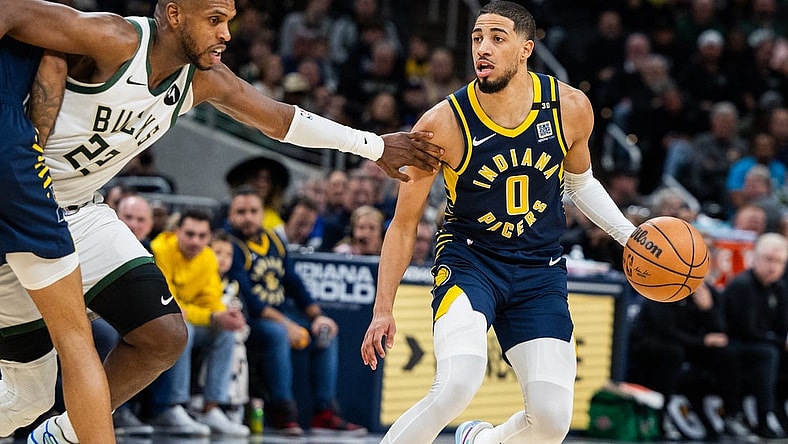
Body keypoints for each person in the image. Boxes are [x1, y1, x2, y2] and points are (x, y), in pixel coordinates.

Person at [0, 0, 441, 442]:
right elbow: (13, 13)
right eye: (214, 20)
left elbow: (281, 120)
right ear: (174, 16)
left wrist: (375, 147)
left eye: (228, 21)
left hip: (81, 212)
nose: (226, 33)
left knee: (165, 336)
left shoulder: (203, 80)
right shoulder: (115, 40)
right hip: (19, 213)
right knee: (27, 398)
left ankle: (63, 434)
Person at [359, 3, 638, 443]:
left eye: (497, 38)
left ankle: (481, 441)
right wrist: (382, 309)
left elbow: (580, 184)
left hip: (540, 271)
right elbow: (403, 223)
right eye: (476, 37)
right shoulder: (442, 123)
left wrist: (631, 236)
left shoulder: (570, 107)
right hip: (471, 262)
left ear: (526, 49)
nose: (482, 48)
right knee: (455, 385)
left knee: (551, 422)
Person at [0, 37, 114, 443]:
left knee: (29, 397)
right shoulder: (34, 16)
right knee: (75, 338)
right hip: (11, 153)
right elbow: (55, 64)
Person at [225, 187, 367, 437]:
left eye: (253, 211)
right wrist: (289, 326)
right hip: (246, 320)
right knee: (278, 333)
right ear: (231, 215)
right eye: (241, 212)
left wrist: (317, 315)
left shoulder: (274, 241)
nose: (248, 217)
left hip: (278, 316)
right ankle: (283, 410)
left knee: (325, 331)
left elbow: (294, 283)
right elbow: (251, 301)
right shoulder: (230, 245)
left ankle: (324, 411)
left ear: (263, 213)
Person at [147, 209, 249, 436]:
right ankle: (173, 406)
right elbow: (169, 303)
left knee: (227, 332)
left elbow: (211, 300)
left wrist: (224, 315)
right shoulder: (160, 250)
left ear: (210, 237)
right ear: (177, 232)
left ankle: (211, 408)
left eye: (202, 236)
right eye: (190, 234)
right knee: (185, 329)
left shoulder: (208, 257)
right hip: (158, 320)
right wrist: (212, 316)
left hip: (187, 319)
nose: (196, 241)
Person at [627, 281, 756, 441]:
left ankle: (732, 415)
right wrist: (702, 341)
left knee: (726, 353)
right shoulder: (662, 287)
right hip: (654, 345)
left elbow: (721, 332)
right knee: (674, 352)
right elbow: (666, 332)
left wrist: (708, 309)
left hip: (689, 344)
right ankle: (662, 415)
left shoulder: (706, 291)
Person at [722, 232, 788, 439]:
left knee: (771, 351)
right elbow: (746, 330)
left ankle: (779, 409)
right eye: (768, 259)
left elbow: (782, 325)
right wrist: (780, 341)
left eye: (779, 262)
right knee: (767, 353)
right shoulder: (742, 285)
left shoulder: (779, 288)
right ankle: (763, 417)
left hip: (764, 342)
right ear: (755, 258)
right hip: (734, 344)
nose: (773, 267)